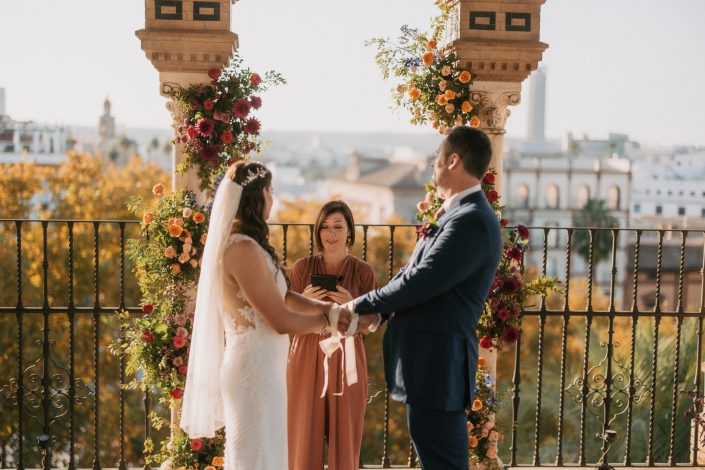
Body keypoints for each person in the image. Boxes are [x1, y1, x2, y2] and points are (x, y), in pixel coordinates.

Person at [179, 161, 351, 470]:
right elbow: (281, 319)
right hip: (253, 374)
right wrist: (332, 321)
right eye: (270, 191)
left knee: (268, 459)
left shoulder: (250, 245)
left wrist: (326, 308)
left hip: (266, 371)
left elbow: (282, 295)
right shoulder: (241, 249)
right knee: (257, 461)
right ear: (256, 197)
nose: (273, 198)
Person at [351, 126, 502, 470]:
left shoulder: (471, 220)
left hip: (439, 367)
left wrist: (358, 305)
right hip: (430, 368)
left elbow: (421, 281)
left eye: (436, 160)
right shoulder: (456, 214)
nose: (432, 169)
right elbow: (412, 275)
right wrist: (380, 314)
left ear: (453, 160)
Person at [287, 201, 377, 470]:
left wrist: (353, 303)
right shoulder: (302, 268)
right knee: (302, 438)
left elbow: (373, 323)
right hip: (305, 355)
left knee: (345, 440)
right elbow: (287, 319)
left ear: (349, 231)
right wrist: (302, 300)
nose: (331, 233)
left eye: (338, 226)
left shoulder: (363, 271)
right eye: (325, 227)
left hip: (347, 357)